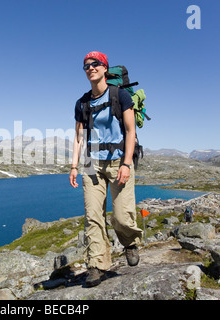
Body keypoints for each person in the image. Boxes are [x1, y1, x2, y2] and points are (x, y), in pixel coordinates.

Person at [69, 51, 143, 287]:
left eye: (95, 64)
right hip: (91, 164)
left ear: (104, 68)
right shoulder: (82, 103)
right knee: (93, 217)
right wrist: (73, 166)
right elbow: (79, 137)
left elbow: (130, 131)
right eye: (86, 66)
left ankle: (129, 242)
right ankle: (97, 265)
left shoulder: (120, 95)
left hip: (118, 160)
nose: (90, 68)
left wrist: (126, 163)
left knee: (121, 217)